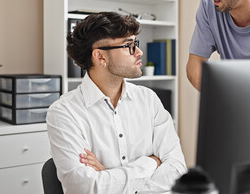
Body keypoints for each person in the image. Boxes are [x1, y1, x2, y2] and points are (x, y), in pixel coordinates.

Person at [46, 12, 187, 194]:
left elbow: (177, 170)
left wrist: (108, 175)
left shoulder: (149, 100)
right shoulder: (64, 112)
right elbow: (86, 187)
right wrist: (151, 162)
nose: (139, 52)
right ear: (100, 57)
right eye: (129, 45)